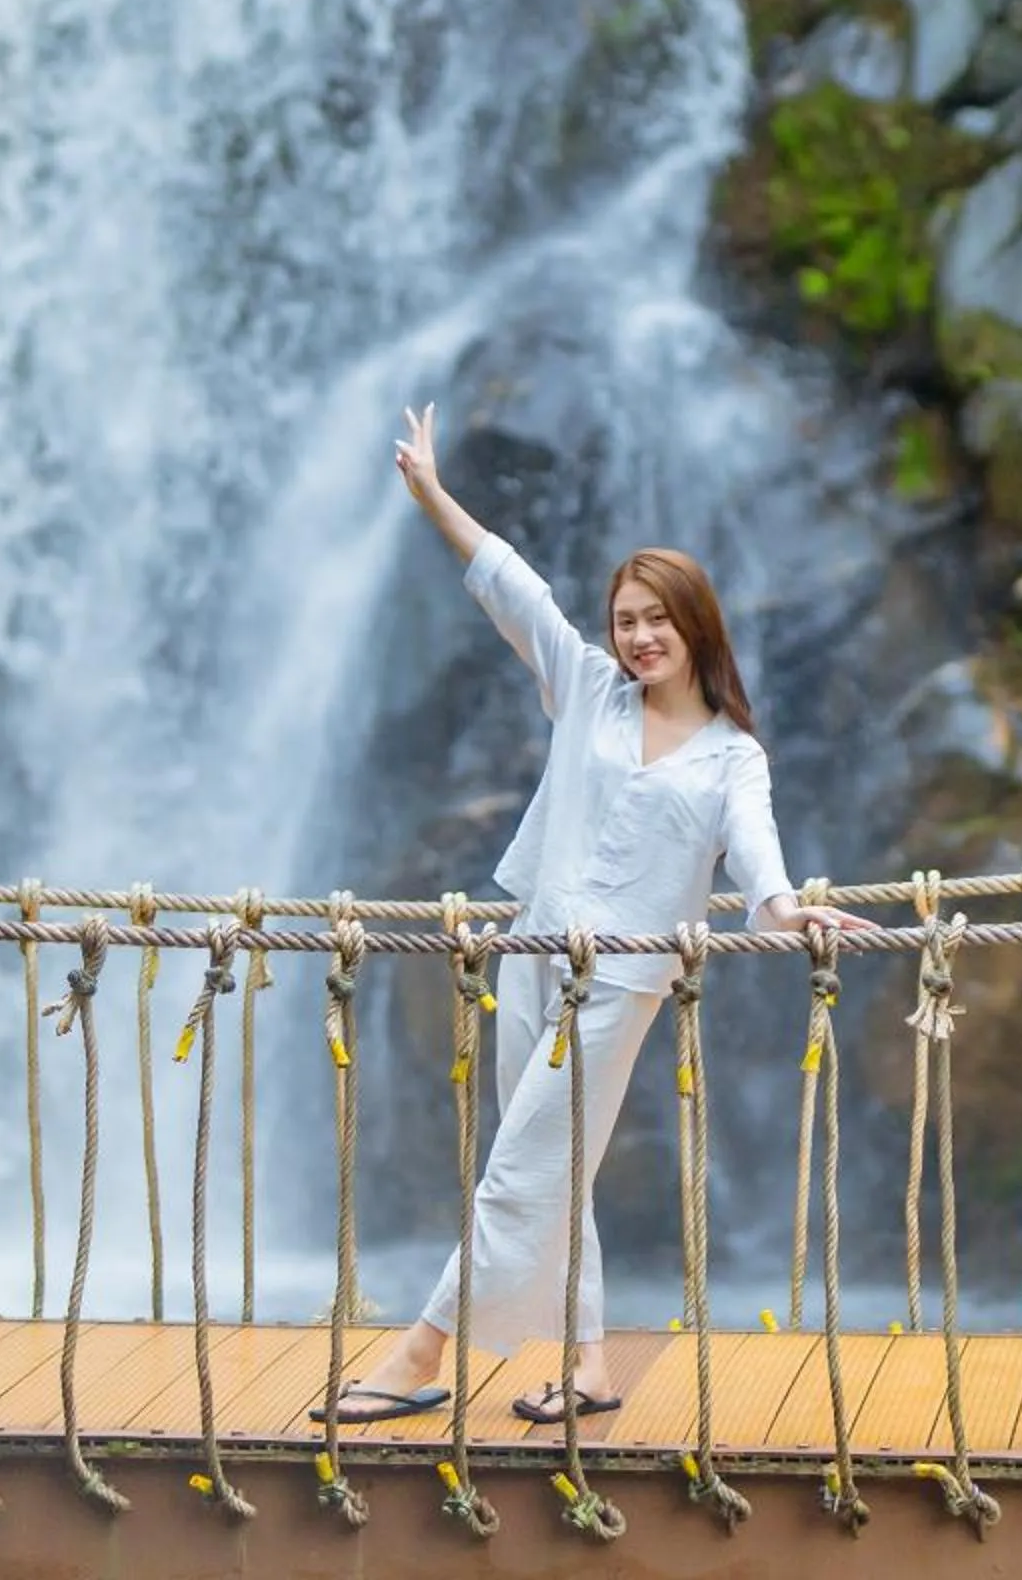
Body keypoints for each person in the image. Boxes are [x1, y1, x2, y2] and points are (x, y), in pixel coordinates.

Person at [311, 404, 868, 1427]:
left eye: (658, 618)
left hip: (618, 981)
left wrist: (788, 908)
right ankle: (592, 1362)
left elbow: (755, 848)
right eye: (626, 620)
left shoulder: (730, 756)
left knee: (525, 1160)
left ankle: (417, 1351)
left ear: (696, 626)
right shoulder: (589, 692)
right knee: (549, 1162)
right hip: (529, 946)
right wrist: (431, 491)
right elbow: (514, 586)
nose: (639, 636)